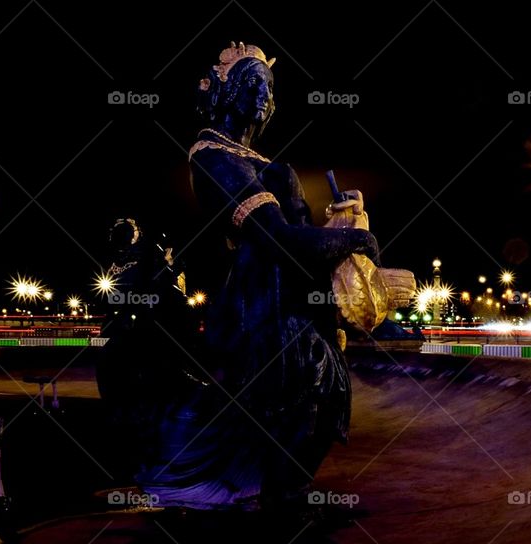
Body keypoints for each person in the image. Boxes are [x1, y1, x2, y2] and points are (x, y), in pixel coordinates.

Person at [134, 43, 381, 510]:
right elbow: (276, 237)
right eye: (251, 84)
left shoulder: (259, 161)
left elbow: (300, 236)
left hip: (288, 298)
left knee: (320, 398)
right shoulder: (211, 156)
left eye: (267, 87)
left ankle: (281, 495)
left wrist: (341, 224)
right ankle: (278, 501)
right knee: (297, 399)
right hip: (260, 304)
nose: (262, 96)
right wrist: (356, 242)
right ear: (224, 92)